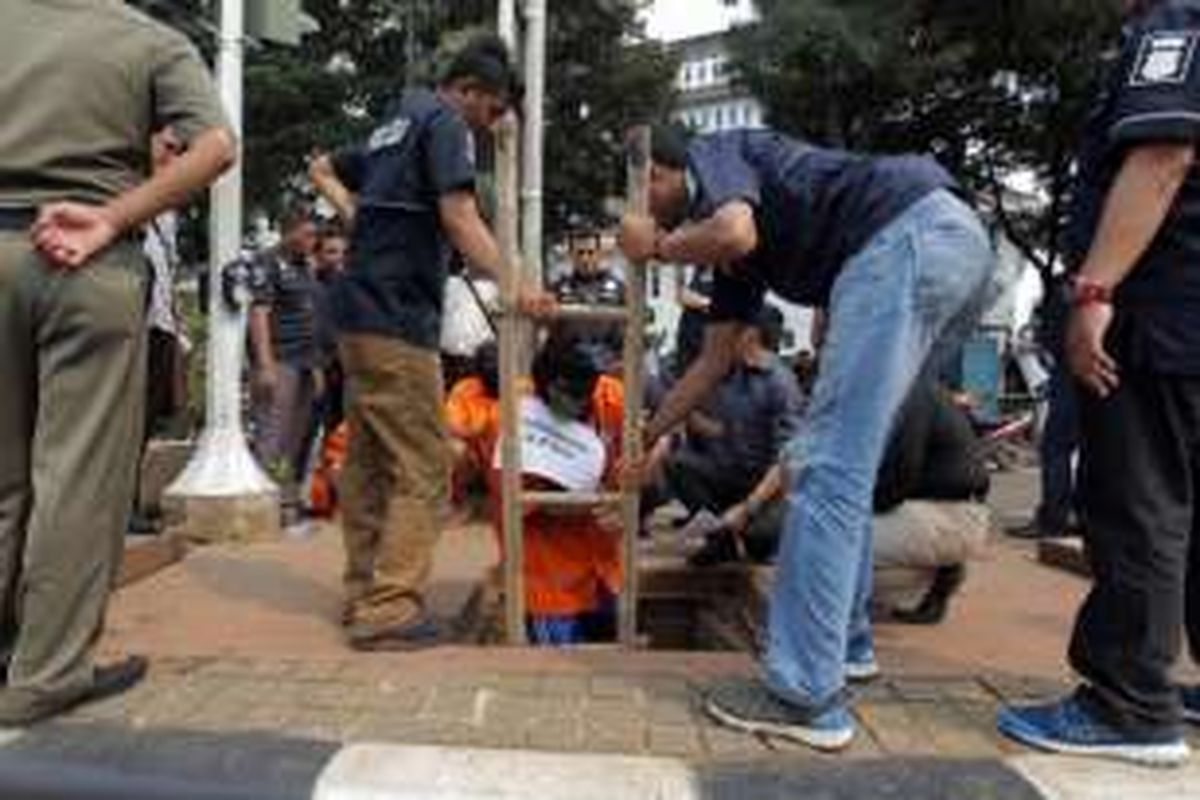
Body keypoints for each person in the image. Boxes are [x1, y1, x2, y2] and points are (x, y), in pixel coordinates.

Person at [620, 124, 994, 751]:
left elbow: (731, 230)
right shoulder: (737, 259)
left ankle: (803, 697)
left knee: (824, 473)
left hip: (906, 240)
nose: (644, 207)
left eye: (644, 193)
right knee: (849, 464)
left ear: (664, 172)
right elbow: (710, 362)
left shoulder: (718, 155)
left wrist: (655, 247)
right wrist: (648, 433)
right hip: (947, 244)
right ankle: (846, 650)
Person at [0, 0, 234, 724]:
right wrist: (114, 215)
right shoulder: (149, 40)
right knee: (75, 476)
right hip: (88, 261)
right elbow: (216, 147)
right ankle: (45, 676)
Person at [997, 0, 1200, 767]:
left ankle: (1130, 707)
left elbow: (1161, 158)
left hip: (1160, 318)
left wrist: (1094, 293)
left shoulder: (1176, 27)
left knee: (1137, 504)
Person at [309, 35, 554, 650]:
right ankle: (391, 606)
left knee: (366, 461)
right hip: (396, 317)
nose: (493, 124)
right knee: (427, 462)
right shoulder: (447, 122)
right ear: (469, 90)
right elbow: (460, 216)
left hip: (357, 310)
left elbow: (326, 167)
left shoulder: (396, 120)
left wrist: (355, 214)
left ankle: (365, 590)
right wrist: (517, 284)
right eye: (493, 110)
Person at [641, 305, 802, 564]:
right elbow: (721, 430)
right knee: (677, 464)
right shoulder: (730, 373)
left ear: (749, 335)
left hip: (767, 487)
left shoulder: (780, 383)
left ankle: (741, 531)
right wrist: (679, 416)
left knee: (759, 541)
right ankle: (722, 537)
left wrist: (748, 507)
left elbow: (786, 462)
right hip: (731, 473)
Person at [248, 207, 320, 519]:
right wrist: (265, 364)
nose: (312, 240)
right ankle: (259, 506)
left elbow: (312, 315)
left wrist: (317, 365)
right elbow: (259, 313)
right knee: (272, 433)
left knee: (296, 434)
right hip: (280, 359)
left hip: (305, 361)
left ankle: (283, 501)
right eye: (307, 234)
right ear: (288, 232)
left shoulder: (306, 265)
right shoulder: (266, 262)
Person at [552, 230, 627, 371]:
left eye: (590, 252)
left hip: (610, 363)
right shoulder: (558, 289)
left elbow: (629, 332)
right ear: (571, 256)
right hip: (569, 365)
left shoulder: (618, 289)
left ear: (599, 254)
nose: (585, 259)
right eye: (580, 253)